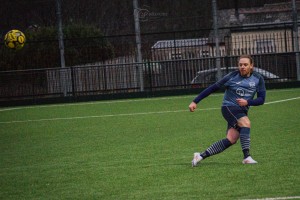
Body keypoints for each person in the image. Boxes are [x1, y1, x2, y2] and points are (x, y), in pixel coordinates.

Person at [189, 54, 266, 167]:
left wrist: (248, 102)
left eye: (245, 65)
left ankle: (200, 156)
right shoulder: (232, 76)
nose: (242, 67)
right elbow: (212, 88)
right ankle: (246, 157)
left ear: (251, 66)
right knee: (246, 123)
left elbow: (261, 99)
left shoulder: (258, 78)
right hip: (228, 107)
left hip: (242, 110)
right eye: (240, 65)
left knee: (231, 139)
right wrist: (195, 101)